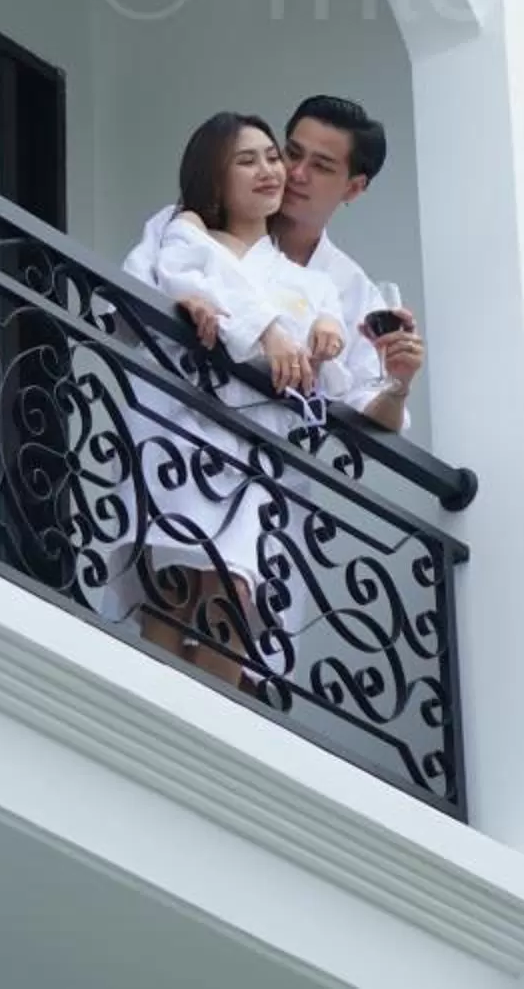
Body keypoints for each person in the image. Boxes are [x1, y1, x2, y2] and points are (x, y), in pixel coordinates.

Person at [107, 111, 364, 685]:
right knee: (172, 587)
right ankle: (153, 714)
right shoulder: (184, 231)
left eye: (273, 157)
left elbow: (330, 369)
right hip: (181, 435)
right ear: (213, 176)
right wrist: (232, 319)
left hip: (254, 457)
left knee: (234, 589)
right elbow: (162, 282)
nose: (270, 170)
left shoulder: (311, 281)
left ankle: (210, 717)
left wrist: (327, 341)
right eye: (246, 160)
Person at [172, 93, 426, 434]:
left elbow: (370, 414)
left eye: (321, 166)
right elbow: (125, 313)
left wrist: (399, 384)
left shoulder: (350, 290)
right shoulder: (194, 225)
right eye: (291, 153)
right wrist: (185, 298)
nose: (297, 173)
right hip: (169, 444)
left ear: (353, 188)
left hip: (269, 469)